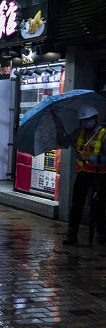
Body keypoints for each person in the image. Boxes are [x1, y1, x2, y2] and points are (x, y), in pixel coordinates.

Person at [60, 104, 106, 245]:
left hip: (100, 176)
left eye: (89, 119)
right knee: (77, 204)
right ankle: (72, 233)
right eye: (84, 120)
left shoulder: (104, 134)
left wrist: (89, 158)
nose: (87, 122)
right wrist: (58, 127)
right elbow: (63, 142)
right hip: (83, 174)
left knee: (99, 205)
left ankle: (102, 233)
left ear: (95, 118)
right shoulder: (80, 132)